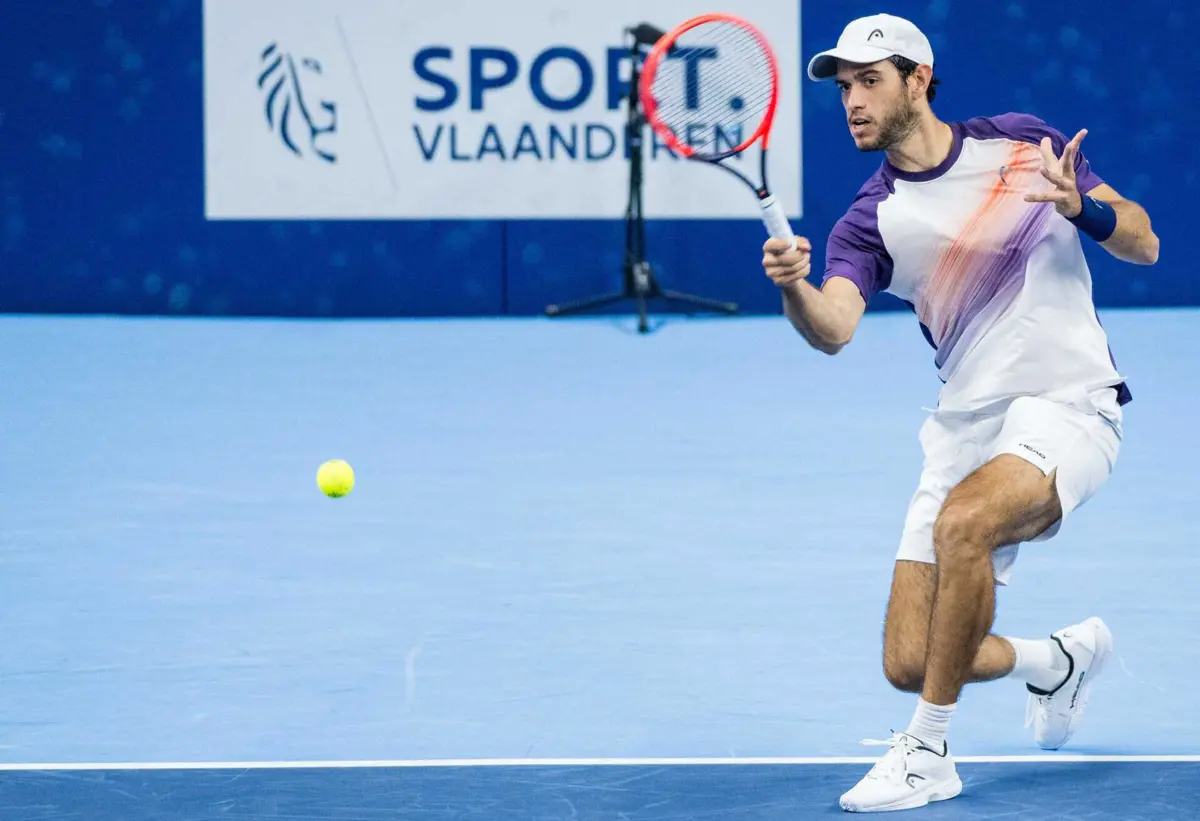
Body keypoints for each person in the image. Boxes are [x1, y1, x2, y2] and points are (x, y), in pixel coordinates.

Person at [761, 12, 1160, 814]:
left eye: (869, 81)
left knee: (964, 526)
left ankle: (928, 750)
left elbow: (1144, 242)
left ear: (918, 79)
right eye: (844, 88)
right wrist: (794, 287)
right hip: (964, 426)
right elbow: (834, 329)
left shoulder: (1020, 145)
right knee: (912, 657)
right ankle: (1056, 660)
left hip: (1070, 404)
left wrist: (1083, 207)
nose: (852, 102)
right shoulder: (868, 220)